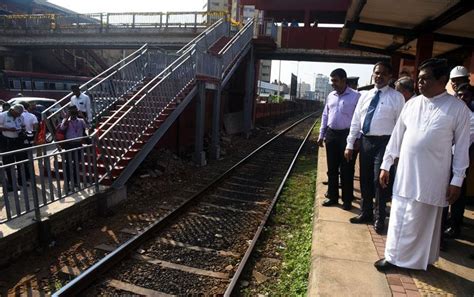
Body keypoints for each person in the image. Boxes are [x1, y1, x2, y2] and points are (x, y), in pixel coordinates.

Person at [375, 58, 470, 271]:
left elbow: (463, 148)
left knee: (423, 222)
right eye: (419, 79)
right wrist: (385, 164)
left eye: (426, 79)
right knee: (400, 216)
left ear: (442, 80)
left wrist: (457, 180)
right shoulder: (412, 104)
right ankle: (393, 258)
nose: (420, 83)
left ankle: (419, 261)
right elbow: (397, 137)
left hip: (433, 176)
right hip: (406, 174)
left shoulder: (457, 109)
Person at [345, 61, 405, 234]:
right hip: (365, 141)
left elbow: (400, 127)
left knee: (379, 181)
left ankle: (379, 218)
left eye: (383, 74)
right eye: (377, 73)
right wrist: (350, 143)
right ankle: (366, 212)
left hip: (385, 143)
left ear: (390, 77)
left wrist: (396, 151)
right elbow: (356, 121)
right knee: (364, 178)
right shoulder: (364, 96)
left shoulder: (396, 97)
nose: (379, 76)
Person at [318, 68, 360, 210]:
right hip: (331, 135)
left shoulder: (356, 96)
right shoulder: (331, 96)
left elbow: (360, 118)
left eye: (335, 80)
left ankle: (347, 200)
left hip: (347, 136)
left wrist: (357, 138)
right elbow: (325, 115)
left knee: (347, 170)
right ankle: (333, 197)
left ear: (343, 80)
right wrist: (321, 134)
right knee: (332, 169)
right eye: (332, 80)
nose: (332, 83)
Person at [443, 83, 474, 239]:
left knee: (457, 196)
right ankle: (441, 226)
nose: (462, 98)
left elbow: (461, 143)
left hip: (459, 160)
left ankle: (455, 226)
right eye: (459, 95)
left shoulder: (472, 118)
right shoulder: (451, 112)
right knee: (442, 193)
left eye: (466, 96)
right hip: (444, 158)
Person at [60, 105, 88, 192]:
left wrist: (82, 115)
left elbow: (88, 126)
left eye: (74, 111)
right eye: (72, 111)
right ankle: (67, 183)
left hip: (78, 144)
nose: (73, 113)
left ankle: (76, 182)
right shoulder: (66, 121)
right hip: (69, 144)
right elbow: (62, 127)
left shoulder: (81, 121)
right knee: (68, 164)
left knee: (76, 163)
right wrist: (67, 116)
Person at [0, 104, 25, 191]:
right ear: (13, 111)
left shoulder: (20, 116)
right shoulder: (3, 115)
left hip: (17, 140)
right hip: (6, 141)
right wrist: (8, 129)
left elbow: (22, 124)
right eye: (17, 113)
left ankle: (21, 181)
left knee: (20, 161)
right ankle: (11, 184)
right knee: (8, 163)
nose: (19, 115)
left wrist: (22, 129)